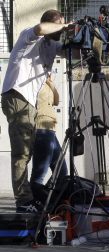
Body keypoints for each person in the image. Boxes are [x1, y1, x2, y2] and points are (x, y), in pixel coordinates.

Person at [1, 9, 71, 213]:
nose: (61, 28)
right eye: (58, 24)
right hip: (16, 96)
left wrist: (88, 37)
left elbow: (72, 52)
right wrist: (65, 25)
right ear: (51, 23)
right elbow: (41, 29)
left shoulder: (52, 45)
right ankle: (23, 201)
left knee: (28, 152)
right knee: (21, 154)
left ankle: (33, 197)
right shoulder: (28, 37)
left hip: (29, 103)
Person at [30, 74, 68, 204]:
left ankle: (45, 197)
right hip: (41, 127)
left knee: (62, 172)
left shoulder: (47, 83)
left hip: (51, 128)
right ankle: (37, 200)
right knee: (39, 173)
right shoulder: (34, 81)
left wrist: (50, 82)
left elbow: (56, 101)